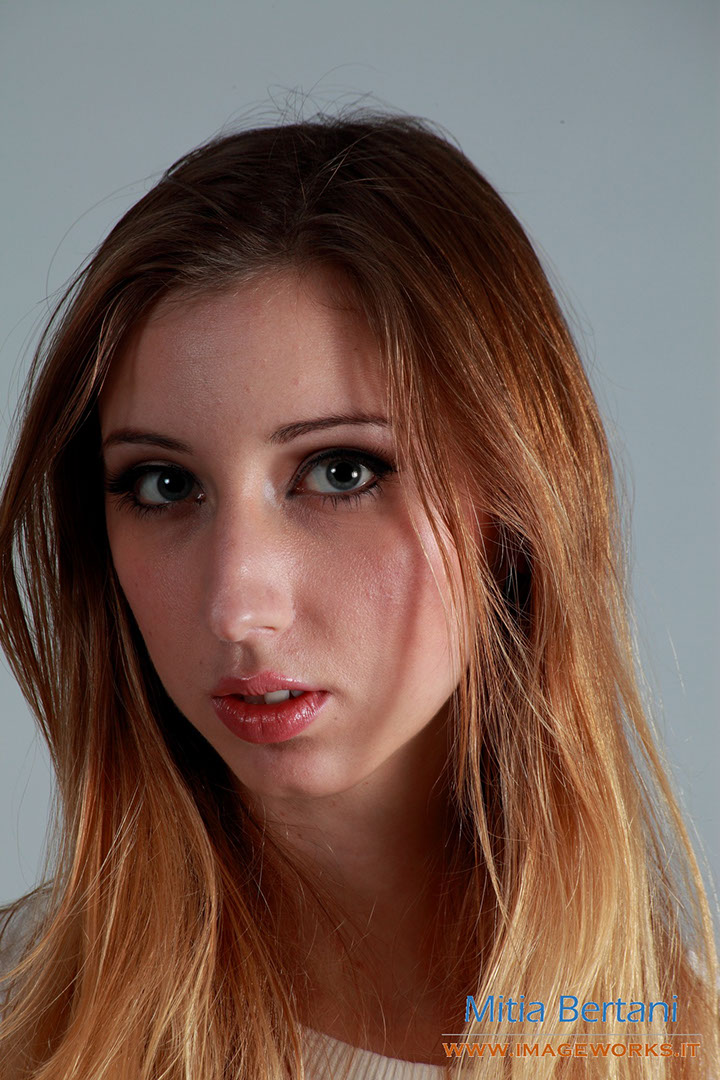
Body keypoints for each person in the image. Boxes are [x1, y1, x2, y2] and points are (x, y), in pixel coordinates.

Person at [0, 112, 717, 1080]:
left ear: (514, 503)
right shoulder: (25, 1021)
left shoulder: (670, 1046)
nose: (236, 608)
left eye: (341, 471)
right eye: (165, 486)